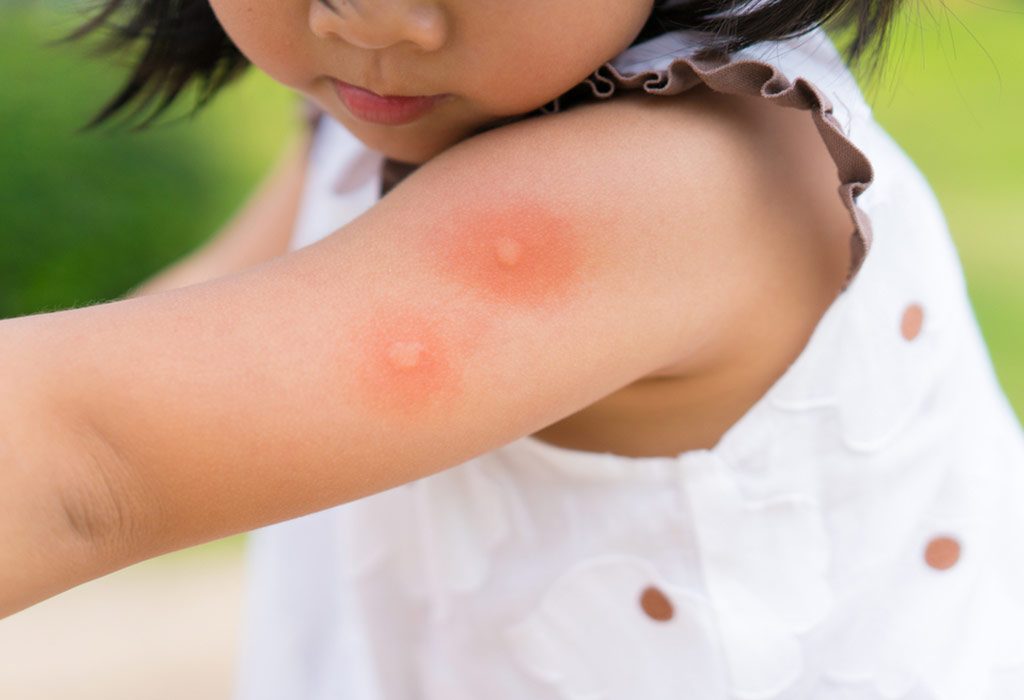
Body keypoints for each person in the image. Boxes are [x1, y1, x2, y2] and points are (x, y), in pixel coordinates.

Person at [2, 0, 1022, 697]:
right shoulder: (407, 110)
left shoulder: (673, 183)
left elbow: (88, 461)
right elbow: (167, 341)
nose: (371, 13)